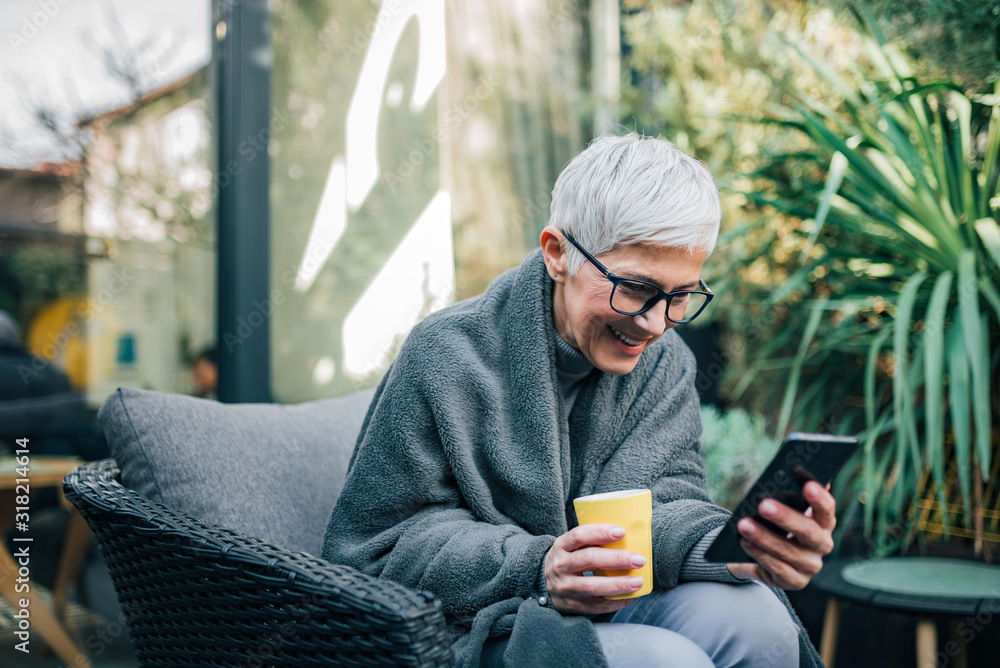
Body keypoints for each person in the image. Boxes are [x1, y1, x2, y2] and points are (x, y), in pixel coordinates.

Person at [322, 134, 833, 667]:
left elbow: (669, 503)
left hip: (617, 601)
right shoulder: (445, 356)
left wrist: (741, 547)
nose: (655, 324)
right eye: (635, 288)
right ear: (557, 254)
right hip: (484, 625)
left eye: (681, 296)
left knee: (759, 619)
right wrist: (537, 565)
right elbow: (377, 546)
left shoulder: (666, 363)